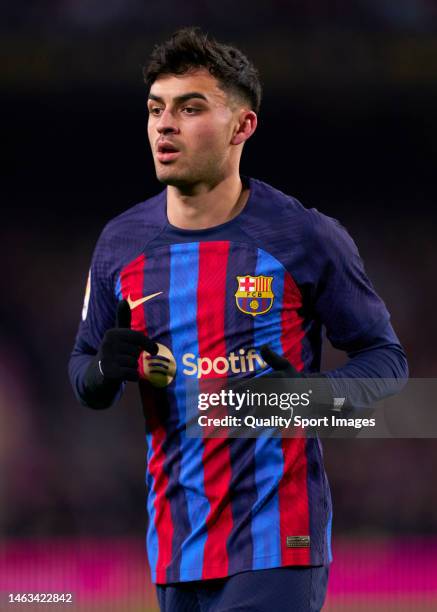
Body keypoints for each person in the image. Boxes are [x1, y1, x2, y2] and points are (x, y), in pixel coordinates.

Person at [69, 27, 408, 612]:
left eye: (189, 107)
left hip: (279, 544)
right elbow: (82, 371)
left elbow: (388, 362)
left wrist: (309, 399)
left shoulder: (304, 237)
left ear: (241, 126)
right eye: (155, 109)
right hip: (175, 546)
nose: (164, 124)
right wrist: (103, 368)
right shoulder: (120, 243)